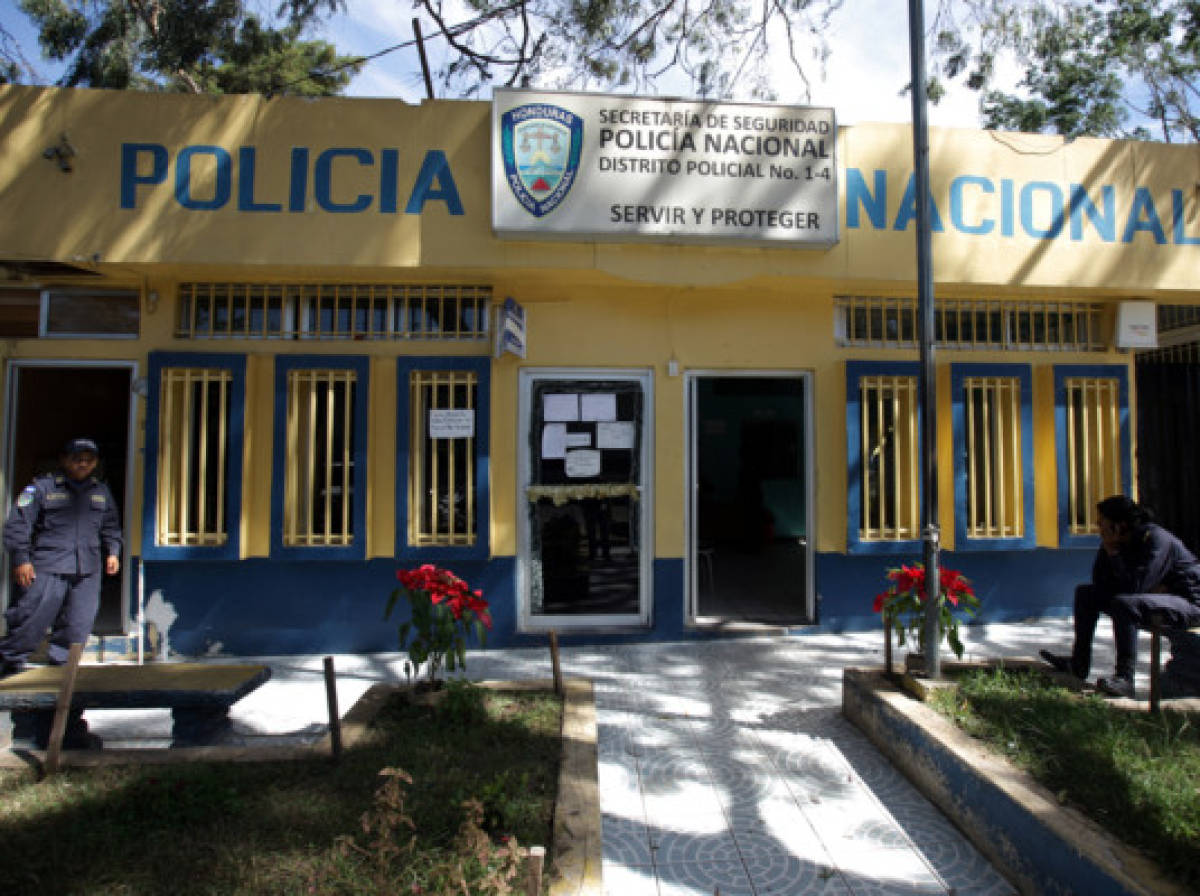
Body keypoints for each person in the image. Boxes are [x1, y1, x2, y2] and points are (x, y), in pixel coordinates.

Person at [1041, 495, 1200, 698]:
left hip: (1189, 603)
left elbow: (1135, 586)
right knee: (1086, 594)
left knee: (1125, 604)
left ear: (1119, 524)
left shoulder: (1155, 539)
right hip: (1157, 598)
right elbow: (1100, 581)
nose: (1098, 527)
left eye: (1102, 522)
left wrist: (1116, 557)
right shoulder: (1117, 542)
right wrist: (1110, 550)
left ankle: (1125, 678)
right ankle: (1079, 664)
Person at [1, 438, 122, 678]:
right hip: (48, 566)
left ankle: (63, 674)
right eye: (77, 459)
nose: (83, 464)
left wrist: (114, 552)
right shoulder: (41, 488)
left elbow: (111, 526)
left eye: (89, 460)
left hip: (87, 570)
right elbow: (18, 526)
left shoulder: (100, 491)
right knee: (30, 620)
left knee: (78, 625)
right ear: (64, 460)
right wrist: (21, 559)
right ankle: (8, 665)